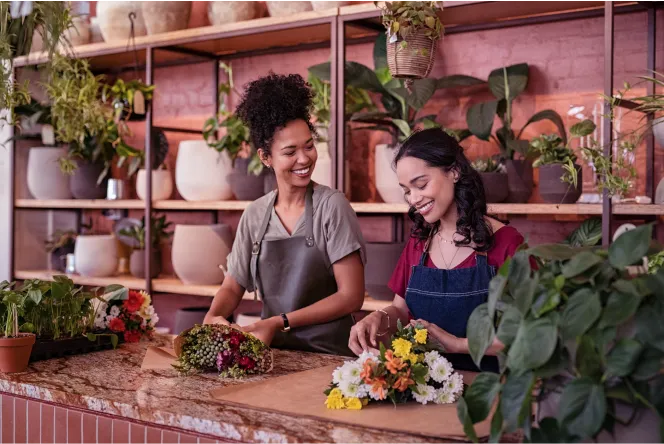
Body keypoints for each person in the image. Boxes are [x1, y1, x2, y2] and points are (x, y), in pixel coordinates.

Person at [203, 73, 366, 357]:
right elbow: (232, 285)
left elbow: (351, 296)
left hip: (330, 357)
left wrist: (280, 322)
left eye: (309, 146)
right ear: (266, 157)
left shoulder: (332, 206)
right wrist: (213, 318)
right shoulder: (255, 215)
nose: (304, 159)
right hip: (275, 356)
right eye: (290, 151)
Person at [348, 128, 525, 372]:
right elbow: (401, 309)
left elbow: (530, 333)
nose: (414, 199)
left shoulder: (507, 243)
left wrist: (458, 344)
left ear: (454, 171)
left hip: (486, 389)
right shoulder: (419, 242)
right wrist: (379, 318)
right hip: (422, 387)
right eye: (407, 190)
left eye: (421, 184)